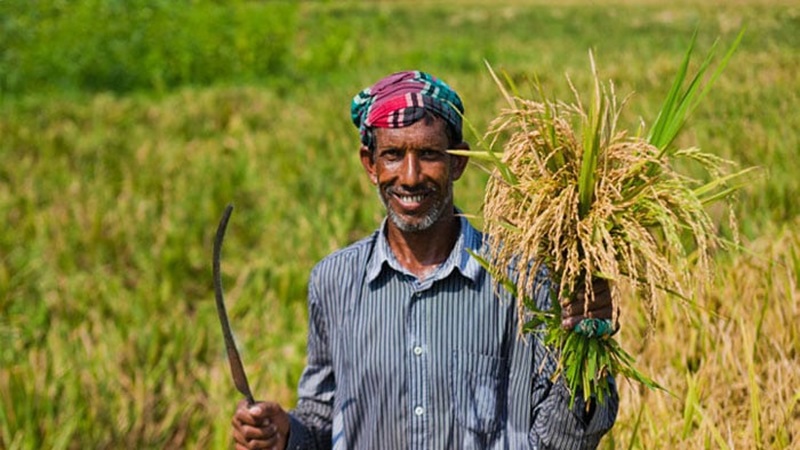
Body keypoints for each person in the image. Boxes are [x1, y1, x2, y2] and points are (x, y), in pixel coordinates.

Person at [231, 71, 618, 450]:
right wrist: (284, 434)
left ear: (459, 162)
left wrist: (583, 354)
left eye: (430, 154)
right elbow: (325, 416)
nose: (411, 176)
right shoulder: (334, 280)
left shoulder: (523, 280)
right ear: (370, 164)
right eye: (393, 155)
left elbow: (564, 440)